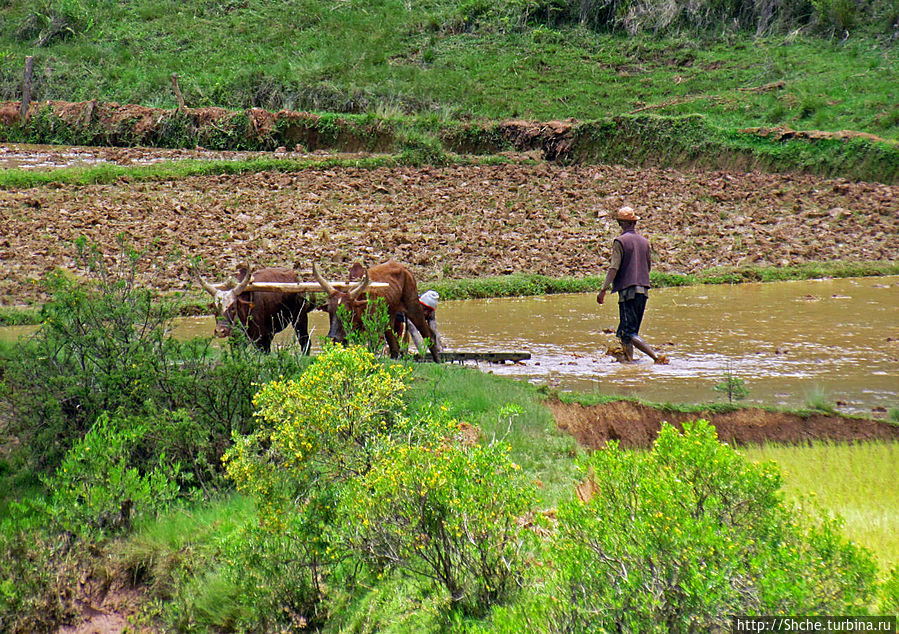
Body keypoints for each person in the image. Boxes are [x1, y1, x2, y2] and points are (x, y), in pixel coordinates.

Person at [596, 206, 668, 364]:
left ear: (621, 223)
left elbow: (614, 267)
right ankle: (629, 362)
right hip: (643, 290)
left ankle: (656, 357)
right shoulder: (644, 242)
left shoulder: (620, 242)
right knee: (625, 332)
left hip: (628, 292)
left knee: (628, 332)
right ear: (634, 223)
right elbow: (648, 267)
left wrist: (603, 289)